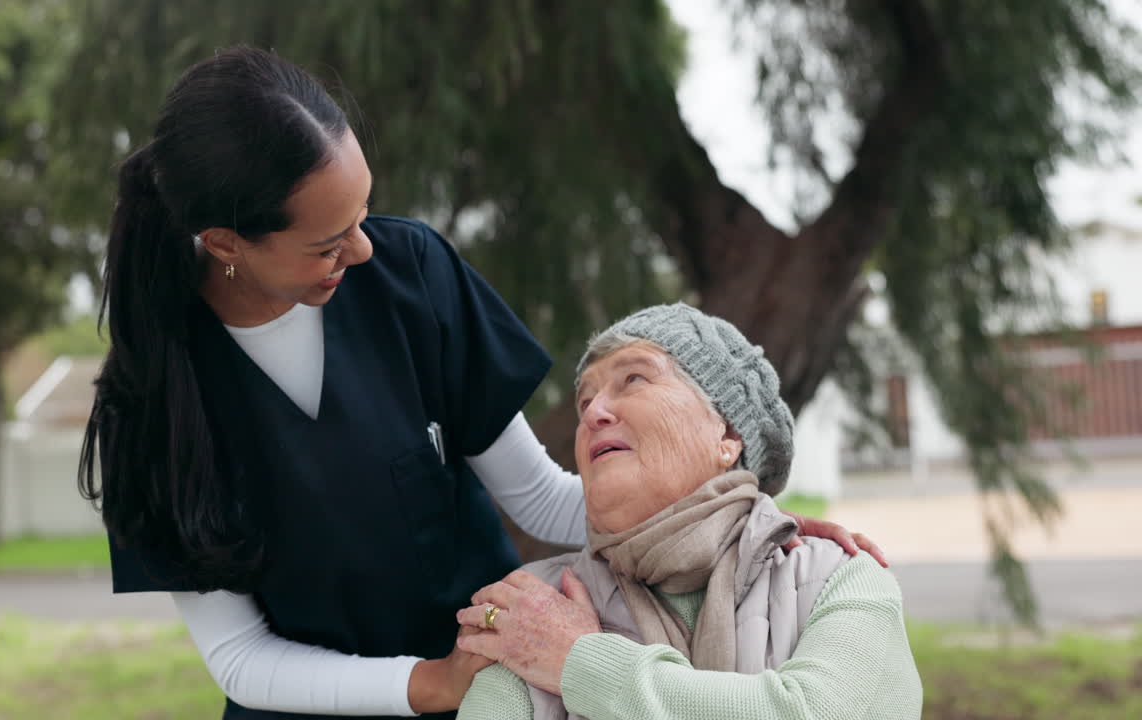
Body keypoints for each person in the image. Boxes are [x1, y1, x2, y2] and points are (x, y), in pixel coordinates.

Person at [78, 47, 882, 720]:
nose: (362, 252)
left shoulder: (411, 278)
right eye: (327, 243)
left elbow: (539, 500)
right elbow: (241, 659)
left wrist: (735, 518)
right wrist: (431, 681)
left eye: (364, 214)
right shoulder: (149, 410)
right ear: (226, 242)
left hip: (495, 692)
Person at [455, 303, 922, 720]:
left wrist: (582, 661)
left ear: (728, 436)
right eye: (585, 400)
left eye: (633, 378)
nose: (594, 411)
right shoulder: (532, 609)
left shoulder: (840, 578)